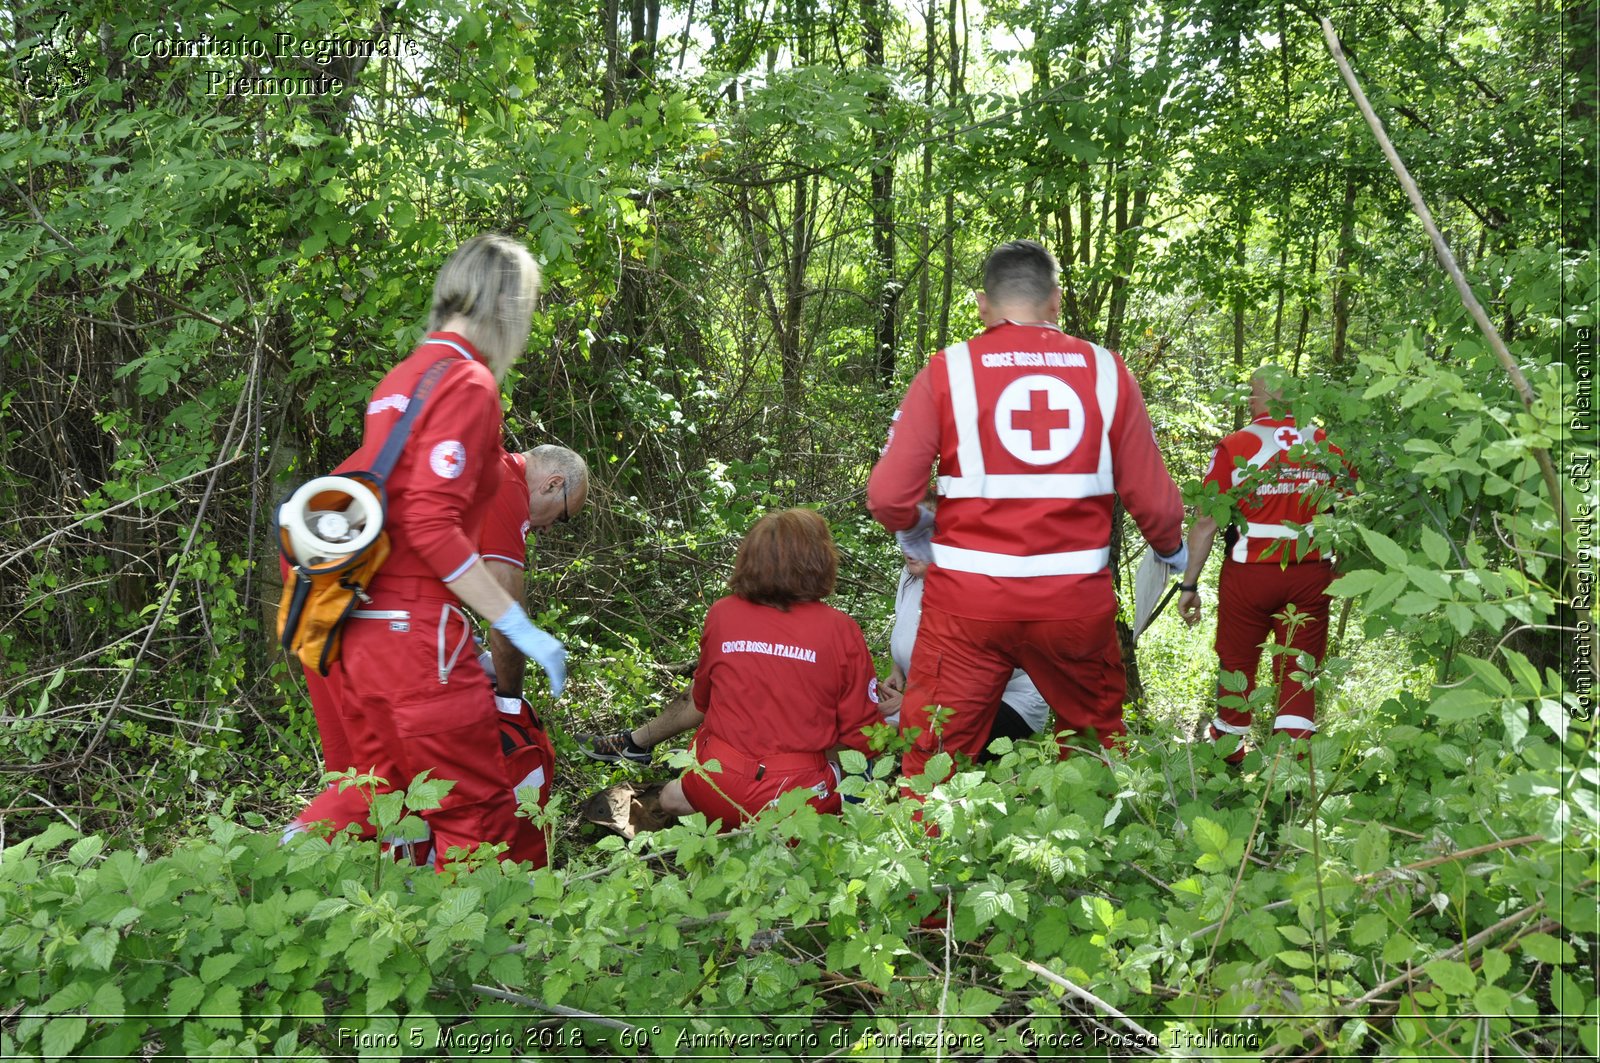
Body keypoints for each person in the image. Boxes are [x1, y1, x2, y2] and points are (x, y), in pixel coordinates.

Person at [290, 233, 566, 869]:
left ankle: (253, 880)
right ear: (508, 305)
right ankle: (478, 960)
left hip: (357, 624)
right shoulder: (468, 383)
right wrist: (517, 625)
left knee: (379, 795)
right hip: (418, 631)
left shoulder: (403, 378)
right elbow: (429, 521)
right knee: (476, 810)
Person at [867, 239, 1185, 782]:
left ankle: (925, 850)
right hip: (1073, 604)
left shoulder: (950, 371)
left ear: (981, 304)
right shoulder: (1107, 372)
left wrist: (922, 534)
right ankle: (1098, 851)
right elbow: (1153, 498)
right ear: (1056, 301)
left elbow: (888, 496)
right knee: (1096, 744)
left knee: (935, 755)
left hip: (967, 605)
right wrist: (1173, 553)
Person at [288, 442, 589, 866]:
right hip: (385, 621)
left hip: (321, 599)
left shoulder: (434, 457)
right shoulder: (504, 481)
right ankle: (427, 886)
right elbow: (506, 611)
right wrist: (509, 700)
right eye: (562, 517)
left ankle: (327, 862)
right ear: (552, 484)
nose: (549, 529)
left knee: (363, 771)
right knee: (462, 795)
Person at [646, 509, 883, 829]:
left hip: (720, 784)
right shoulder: (841, 630)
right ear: (819, 560)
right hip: (797, 800)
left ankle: (696, 797)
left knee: (696, 776)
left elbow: (702, 699)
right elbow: (863, 735)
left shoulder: (722, 614)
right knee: (864, 764)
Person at [1176, 368, 1352, 762]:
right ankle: (1290, 767)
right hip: (1311, 572)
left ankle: (1229, 755)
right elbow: (1356, 508)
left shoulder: (1235, 446)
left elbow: (1206, 521)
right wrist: (1344, 565)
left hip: (1249, 573)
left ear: (1256, 401)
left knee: (1237, 659)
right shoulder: (1324, 444)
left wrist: (1189, 585)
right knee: (1299, 668)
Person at [878, 552, 1048, 759]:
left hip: (1004, 700)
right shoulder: (911, 574)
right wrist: (898, 670)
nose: (909, 548)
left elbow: (978, 679)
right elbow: (905, 627)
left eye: (920, 535)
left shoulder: (976, 584)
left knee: (937, 753)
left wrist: (908, 707)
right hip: (931, 698)